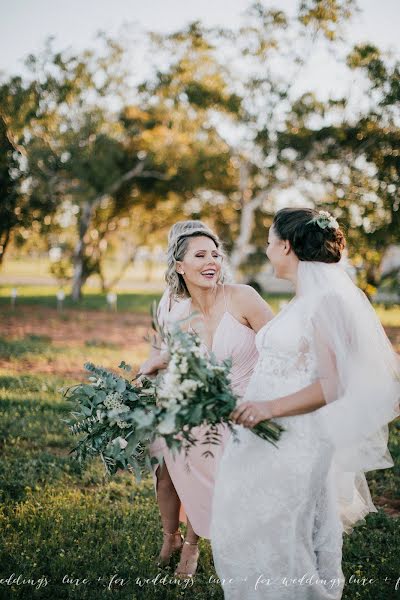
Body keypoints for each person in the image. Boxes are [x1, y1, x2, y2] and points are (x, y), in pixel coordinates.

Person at [210, 207, 400, 599]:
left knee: (281, 532)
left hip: (296, 438)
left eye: (267, 242)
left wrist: (268, 408)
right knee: (251, 523)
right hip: (268, 434)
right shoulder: (303, 300)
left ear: (285, 246)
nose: (266, 250)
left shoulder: (326, 302)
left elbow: (332, 387)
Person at [139, 221, 274, 578]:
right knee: (167, 467)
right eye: (200, 254)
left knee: (205, 458)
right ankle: (172, 536)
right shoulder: (180, 313)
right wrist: (147, 372)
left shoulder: (243, 296)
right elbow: (167, 355)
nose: (212, 259)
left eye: (215, 253)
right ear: (179, 266)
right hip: (199, 405)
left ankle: (193, 545)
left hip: (246, 407)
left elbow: (281, 348)